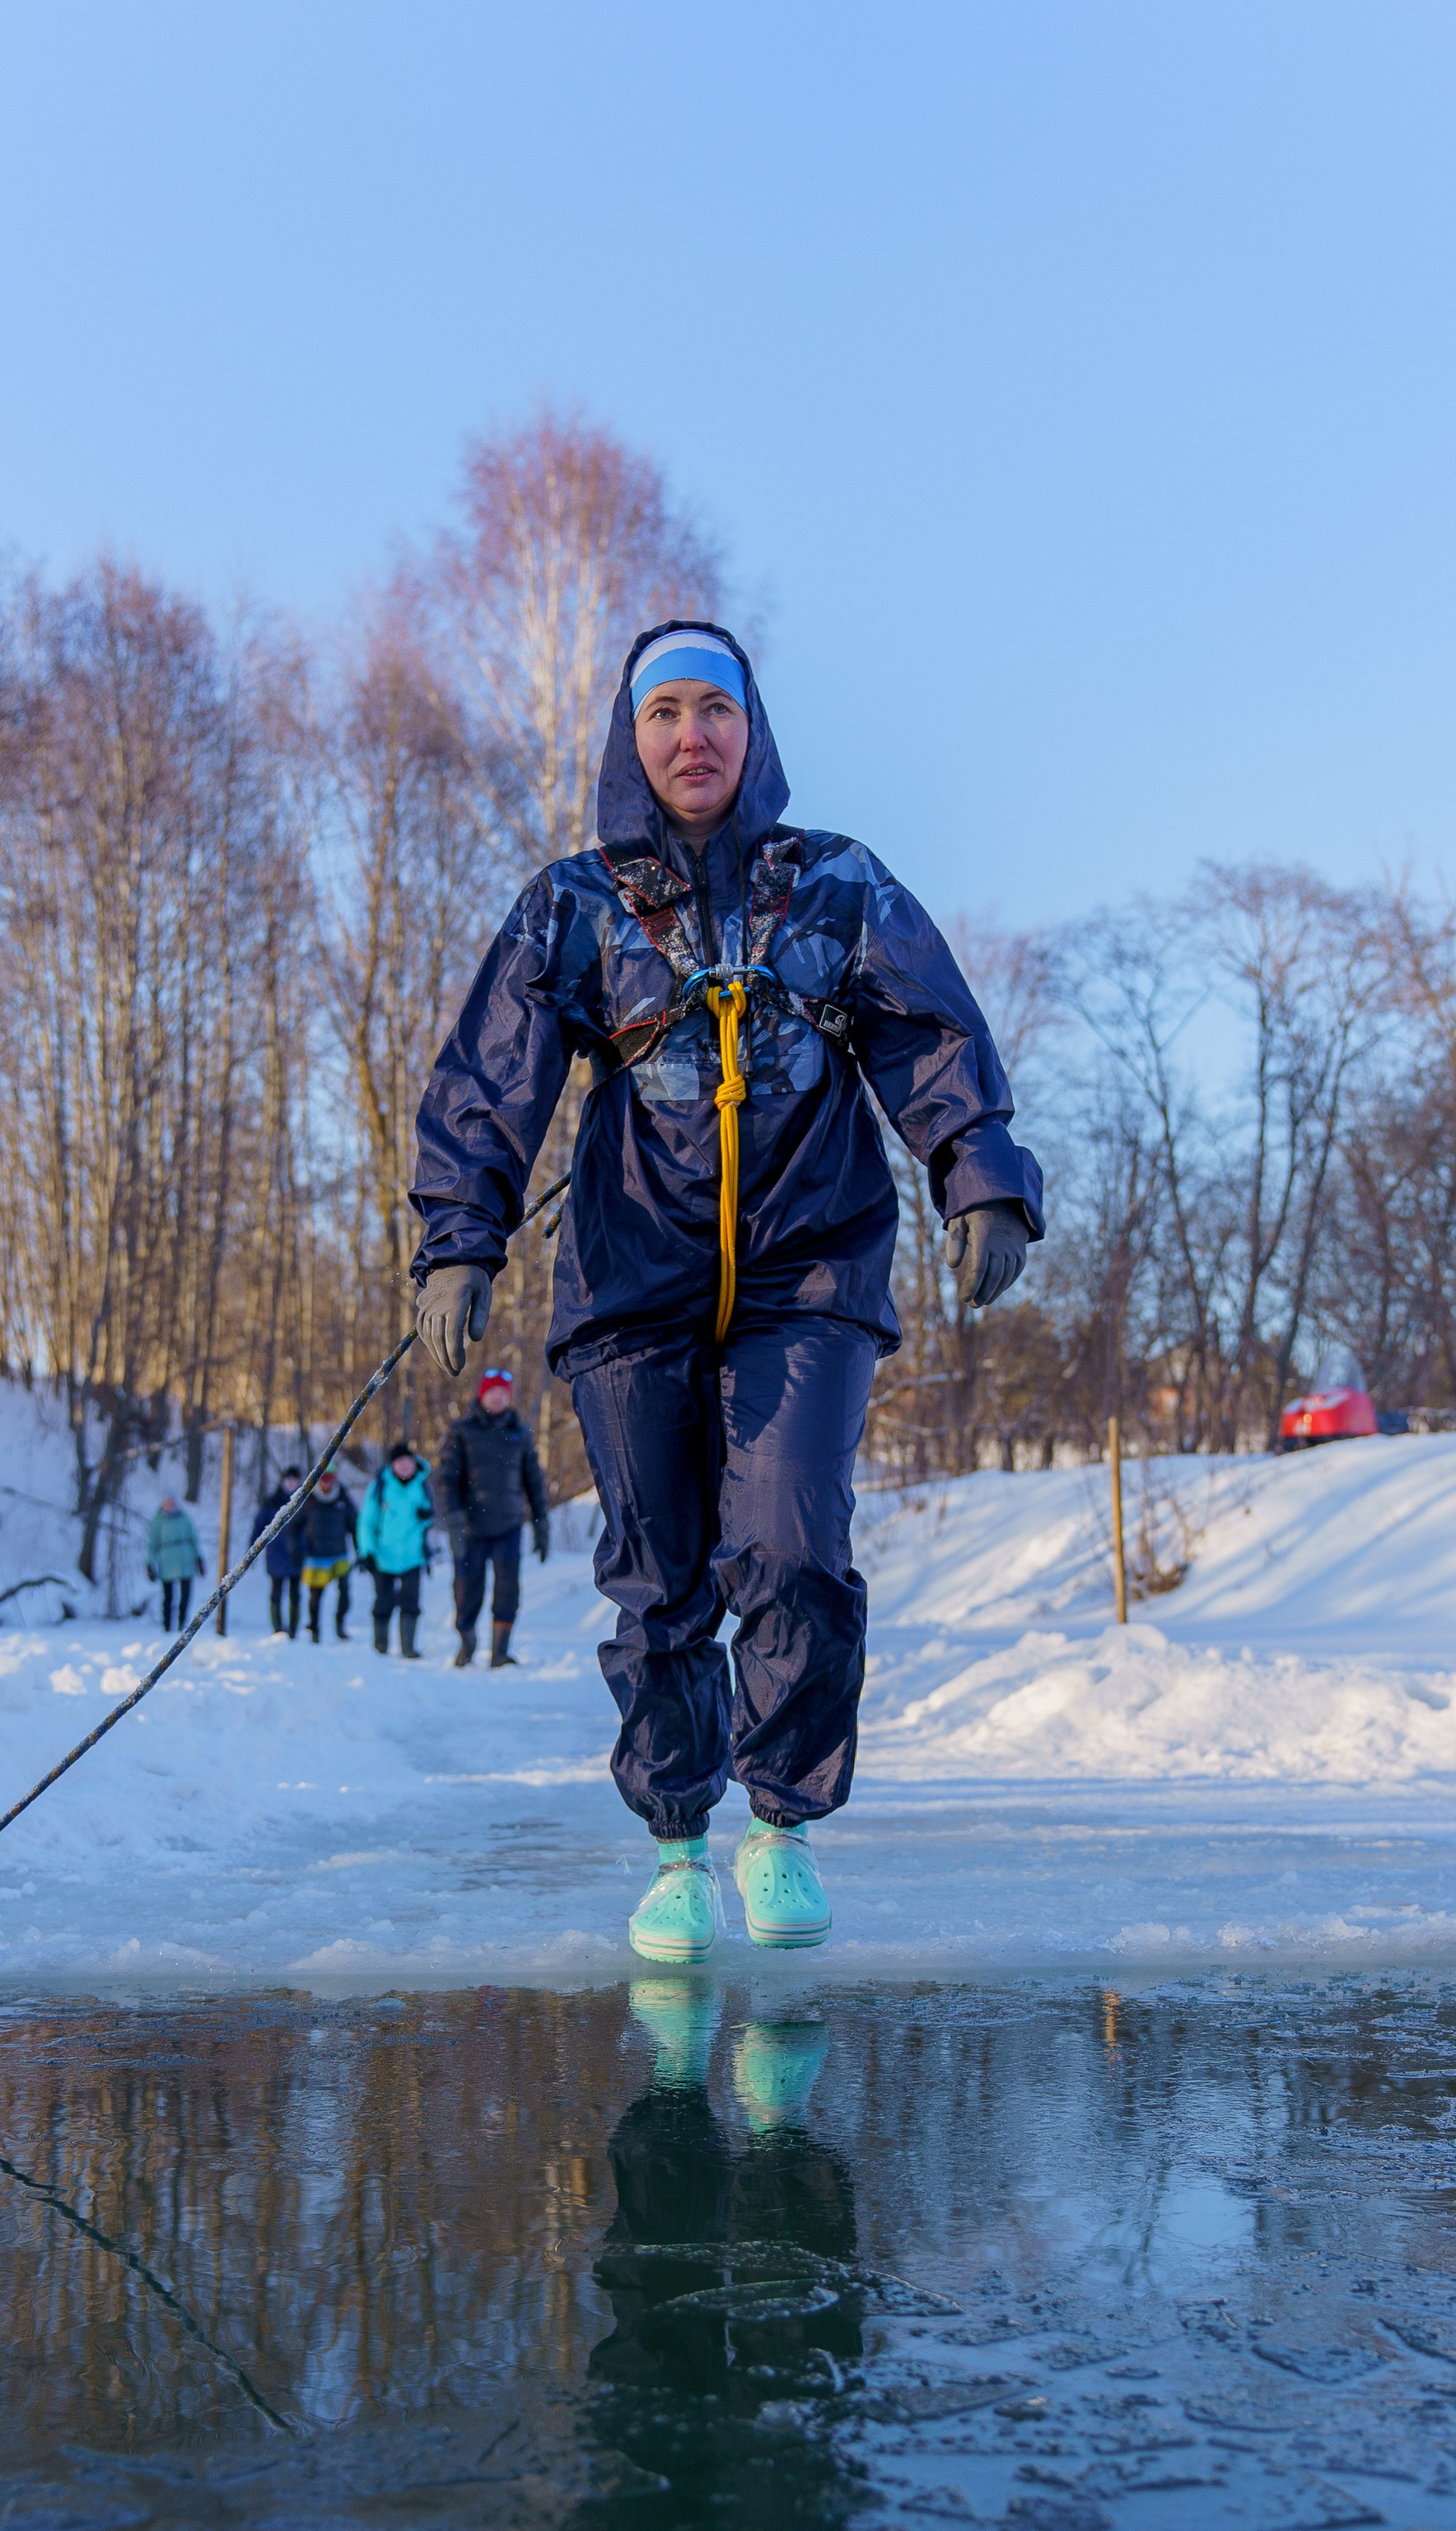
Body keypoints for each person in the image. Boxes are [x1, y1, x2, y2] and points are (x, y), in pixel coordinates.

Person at [410, 619, 1039, 1961]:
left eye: (716, 709)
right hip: (632, 1281)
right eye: (664, 713)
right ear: (630, 739)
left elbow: (931, 1036)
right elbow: (493, 1074)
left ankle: (783, 1828)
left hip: (810, 1272)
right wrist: (461, 1237)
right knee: (659, 1574)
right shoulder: (573, 904)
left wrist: (978, 1171)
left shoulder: (838, 886)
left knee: (793, 1547)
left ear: (754, 732)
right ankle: (678, 1852)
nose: (691, 735)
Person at [435, 1369, 549, 1669]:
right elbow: (447, 1478)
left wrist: (542, 1525)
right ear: (481, 1395)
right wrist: (454, 1521)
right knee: (466, 1588)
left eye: (503, 1392)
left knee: (508, 1591)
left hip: (509, 1526)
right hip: (470, 1526)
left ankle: (500, 1652)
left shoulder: (520, 1434)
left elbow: (534, 1482)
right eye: (492, 1392)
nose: (497, 1398)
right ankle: (467, 1643)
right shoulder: (461, 1431)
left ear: (508, 1397)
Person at [355, 1440, 434, 1658]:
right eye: (400, 1462)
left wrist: (426, 1517)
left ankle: (408, 1648)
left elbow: (429, 1518)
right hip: (384, 1556)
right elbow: (366, 1522)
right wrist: (367, 1551)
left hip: (413, 1556)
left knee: (411, 1603)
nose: (405, 1466)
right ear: (392, 1465)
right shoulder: (380, 1486)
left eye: (408, 1461)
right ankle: (380, 1647)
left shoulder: (422, 1485)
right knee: (383, 1602)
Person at [299, 1465, 359, 1642]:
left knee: (344, 1592)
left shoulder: (343, 1499)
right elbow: (294, 1527)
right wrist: (297, 1550)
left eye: (330, 1478)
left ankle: (340, 1625)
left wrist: (360, 1551)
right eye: (323, 1479)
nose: (326, 1483)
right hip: (316, 1556)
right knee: (316, 1596)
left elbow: (354, 1526)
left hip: (339, 1554)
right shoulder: (309, 1499)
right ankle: (314, 1629)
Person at [250, 1465, 305, 1637]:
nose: (291, 1483)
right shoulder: (271, 1502)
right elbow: (259, 1526)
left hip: (297, 1555)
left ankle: (293, 1629)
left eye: (294, 1480)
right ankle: (277, 1627)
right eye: (289, 1480)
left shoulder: (305, 1500)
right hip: (276, 1554)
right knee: (276, 1593)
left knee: (295, 1594)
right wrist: (252, 1550)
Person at [143, 1491, 204, 1632]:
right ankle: (167, 1625)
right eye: (167, 1503)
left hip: (185, 1560)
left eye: (171, 1502)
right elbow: (152, 1544)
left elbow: (194, 1538)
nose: (169, 1505)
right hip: (167, 1561)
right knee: (168, 1597)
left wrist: (199, 1558)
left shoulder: (184, 1518)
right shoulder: (158, 1521)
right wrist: (149, 1564)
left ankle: (182, 1624)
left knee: (185, 1595)